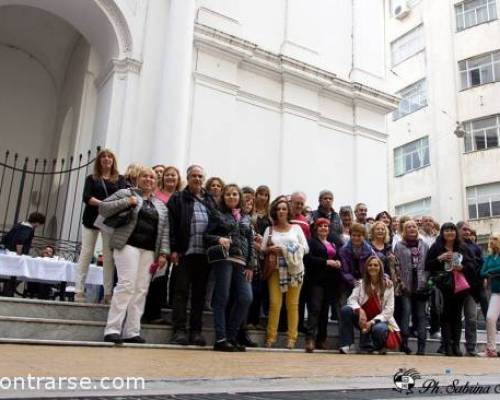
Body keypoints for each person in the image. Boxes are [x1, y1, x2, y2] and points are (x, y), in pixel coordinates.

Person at [99, 166, 170, 344]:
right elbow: (103, 208)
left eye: (152, 178)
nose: (149, 180)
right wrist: (126, 202)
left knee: (141, 290)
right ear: (137, 179)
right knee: (126, 285)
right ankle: (112, 329)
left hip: (149, 251)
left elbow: (165, 231)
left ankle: (132, 331)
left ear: (156, 182)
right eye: (145, 176)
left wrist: (163, 253)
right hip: (127, 245)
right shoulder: (126, 193)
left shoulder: (160, 206)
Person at [168, 165, 217, 346]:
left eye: (200, 176)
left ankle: (196, 331)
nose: (197, 179)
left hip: (204, 256)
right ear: (188, 178)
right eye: (194, 176)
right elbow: (171, 225)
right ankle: (179, 330)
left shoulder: (210, 199)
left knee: (199, 295)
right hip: (184, 253)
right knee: (180, 292)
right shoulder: (178, 198)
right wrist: (173, 249)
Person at [205, 184, 254, 352]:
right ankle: (221, 339)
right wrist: (219, 239)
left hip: (242, 262)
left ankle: (231, 336)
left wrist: (251, 265)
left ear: (239, 196)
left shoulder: (246, 218)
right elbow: (206, 236)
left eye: (234, 194)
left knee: (246, 298)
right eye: (228, 195)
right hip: (224, 259)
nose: (231, 197)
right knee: (222, 297)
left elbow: (250, 242)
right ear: (223, 198)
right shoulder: (217, 214)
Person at [75, 149, 127, 304]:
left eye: (109, 156)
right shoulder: (92, 178)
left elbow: (123, 196)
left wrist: (109, 207)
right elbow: (87, 197)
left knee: (108, 257)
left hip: (109, 220)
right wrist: (105, 204)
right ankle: (78, 290)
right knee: (86, 252)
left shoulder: (120, 179)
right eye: (103, 157)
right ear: (99, 161)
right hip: (91, 219)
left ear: (113, 160)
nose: (106, 159)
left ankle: (108, 293)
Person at [262, 196, 309, 349]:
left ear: (288, 211)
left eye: (284, 209)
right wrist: (270, 250)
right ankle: (270, 338)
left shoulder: (296, 229)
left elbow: (306, 248)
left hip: (294, 269)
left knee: (293, 304)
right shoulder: (269, 230)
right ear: (274, 211)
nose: (281, 211)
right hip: (275, 269)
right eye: (278, 209)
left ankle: (292, 339)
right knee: (275, 303)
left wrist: (286, 250)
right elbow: (263, 249)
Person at [426, 222, 475, 357]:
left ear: (456, 232)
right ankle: (447, 345)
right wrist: (439, 258)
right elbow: (427, 265)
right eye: (447, 230)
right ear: (442, 233)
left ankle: (456, 345)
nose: (450, 233)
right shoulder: (436, 247)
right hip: (443, 287)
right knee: (445, 316)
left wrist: (462, 268)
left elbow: (472, 266)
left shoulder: (463, 247)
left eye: (452, 230)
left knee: (457, 316)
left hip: (460, 287)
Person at [143, 166, 183, 323]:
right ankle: (150, 313)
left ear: (178, 179)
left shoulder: (180, 197)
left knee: (171, 278)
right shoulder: (155, 195)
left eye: (173, 175)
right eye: (167, 175)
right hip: (158, 240)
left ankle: (162, 309)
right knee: (156, 276)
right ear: (162, 178)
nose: (170, 178)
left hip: (175, 241)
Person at [339, 256, 399, 354]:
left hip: (379, 321)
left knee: (379, 329)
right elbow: (351, 300)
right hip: (362, 320)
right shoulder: (361, 283)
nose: (372, 267)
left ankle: (379, 346)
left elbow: (389, 311)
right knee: (346, 310)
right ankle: (348, 344)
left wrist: (371, 322)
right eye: (370, 265)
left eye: (376, 265)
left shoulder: (388, 286)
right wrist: (360, 310)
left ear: (381, 268)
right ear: (366, 268)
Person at [303, 218, 342, 352]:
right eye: (321, 226)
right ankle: (310, 339)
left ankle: (321, 339)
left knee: (325, 311)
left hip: (330, 282)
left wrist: (337, 262)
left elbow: (336, 258)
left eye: (326, 226)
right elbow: (307, 259)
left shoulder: (332, 243)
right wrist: (326, 262)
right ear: (316, 228)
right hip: (316, 281)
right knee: (315, 309)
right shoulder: (311, 242)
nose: (324, 228)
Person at [393, 220, 429, 355]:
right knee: (405, 313)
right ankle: (404, 344)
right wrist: (399, 281)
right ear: (404, 230)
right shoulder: (399, 245)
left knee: (420, 316)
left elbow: (428, 265)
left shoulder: (424, 245)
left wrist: (426, 281)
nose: (412, 229)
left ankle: (421, 347)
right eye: (408, 227)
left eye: (414, 226)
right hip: (405, 286)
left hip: (421, 286)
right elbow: (395, 265)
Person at [457, 221, 487, 357]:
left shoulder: (476, 247)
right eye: (464, 229)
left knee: (471, 318)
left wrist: (482, 278)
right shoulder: (453, 245)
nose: (467, 232)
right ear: (458, 230)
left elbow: (482, 264)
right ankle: (453, 345)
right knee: (455, 317)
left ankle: (471, 346)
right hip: (455, 287)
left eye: (469, 230)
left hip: (471, 288)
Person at [1, 212, 46, 297]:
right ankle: (7, 293)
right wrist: (19, 255)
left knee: (10, 275)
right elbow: (20, 241)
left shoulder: (20, 224)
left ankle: (6, 292)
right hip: (14, 254)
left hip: (7, 253)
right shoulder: (27, 228)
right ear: (37, 222)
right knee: (17, 275)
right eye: (40, 224)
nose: (39, 226)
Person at [247, 185, 272, 329]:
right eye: (260, 194)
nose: (262, 197)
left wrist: (263, 245)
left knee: (261, 289)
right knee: (251, 288)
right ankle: (249, 320)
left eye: (266, 195)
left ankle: (256, 320)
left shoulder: (270, 216)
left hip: (264, 255)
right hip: (251, 253)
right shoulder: (250, 212)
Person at [480, 233, 500, 357]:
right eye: (491, 239)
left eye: (495, 239)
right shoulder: (488, 257)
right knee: (490, 318)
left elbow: (489, 271)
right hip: (496, 291)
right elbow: (482, 272)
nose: (492, 241)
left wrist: (491, 272)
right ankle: (491, 349)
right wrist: (492, 273)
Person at [339, 223, 376, 289]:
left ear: (364, 236)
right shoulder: (343, 250)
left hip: (365, 282)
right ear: (350, 235)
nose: (356, 238)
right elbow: (344, 270)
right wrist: (353, 281)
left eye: (359, 236)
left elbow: (377, 265)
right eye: (354, 235)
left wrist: (384, 277)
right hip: (347, 283)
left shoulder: (369, 250)